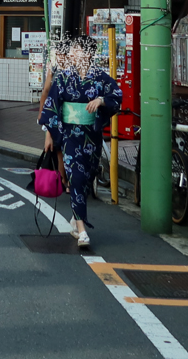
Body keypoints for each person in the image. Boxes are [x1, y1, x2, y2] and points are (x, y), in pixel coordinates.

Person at [39, 37, 122, 249]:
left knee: (86, 177)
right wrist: (49, 133)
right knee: (75, 177)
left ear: (87, 54)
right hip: (70, 137)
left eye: (77, 50)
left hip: (91, 136)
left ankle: (76, 220)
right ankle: (82, 230)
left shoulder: (100, 78)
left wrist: (101, 100)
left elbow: (117, 96)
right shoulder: (64, 78)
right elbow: (52, 106)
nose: (73, 53)